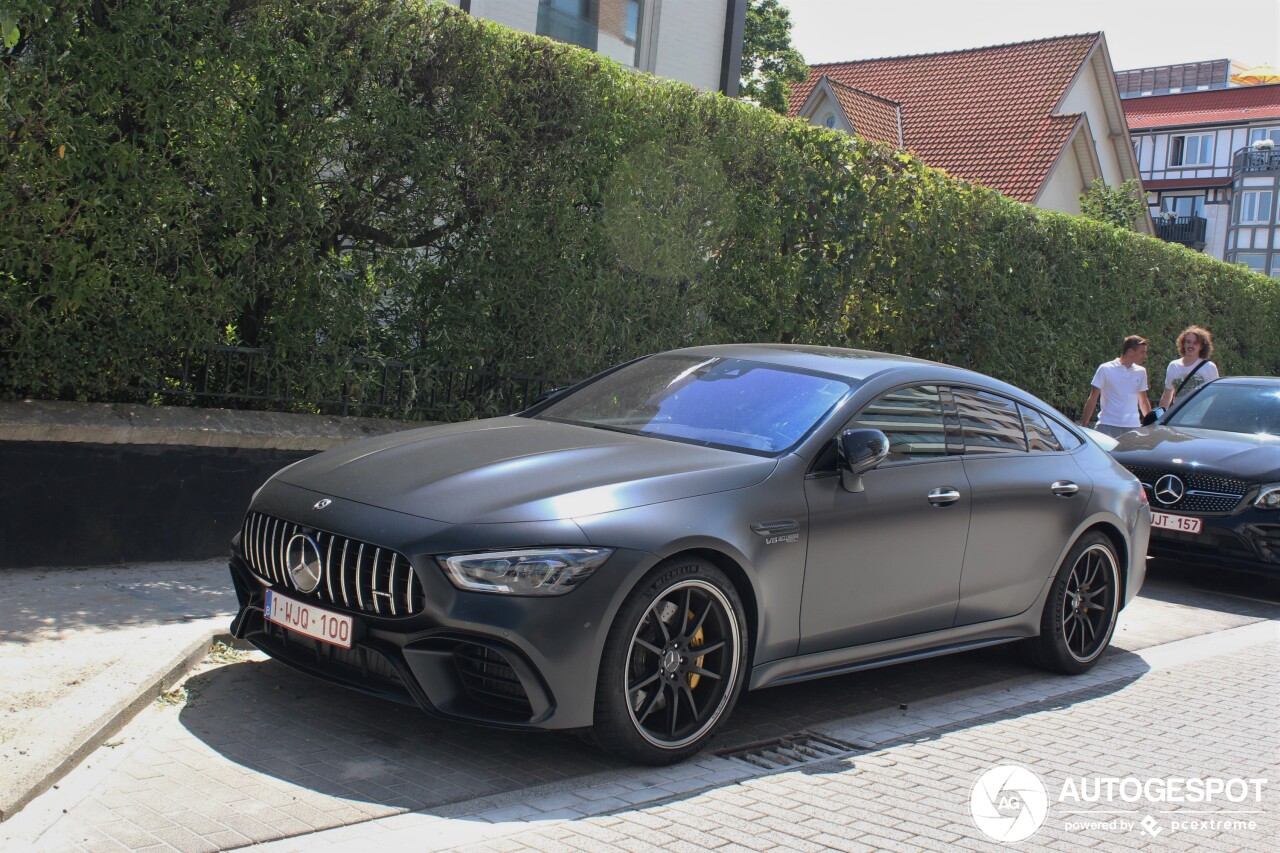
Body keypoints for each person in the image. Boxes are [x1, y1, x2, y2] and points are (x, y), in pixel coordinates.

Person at [1080, 335, 1151, 437]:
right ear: (1130, 351)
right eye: (1142, 352)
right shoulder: (1105, 369)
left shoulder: (1141, 372)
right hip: (1106, 425)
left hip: (1132, 427)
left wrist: (1151, 424)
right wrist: (1084, 425)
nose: (1145, 356)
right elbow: (1093, 397)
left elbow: (1143, 400)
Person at [1159, 325, 1219, 408]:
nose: (1191, 346)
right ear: (1183, 344)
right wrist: (1159, 417)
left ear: (1201, 346)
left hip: (1200, 418)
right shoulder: (1173, 366)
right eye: (1188, 342)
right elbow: (1166, 396)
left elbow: (1214, 396)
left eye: (1195, 343)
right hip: (1178, 418)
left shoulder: (1209, 367)